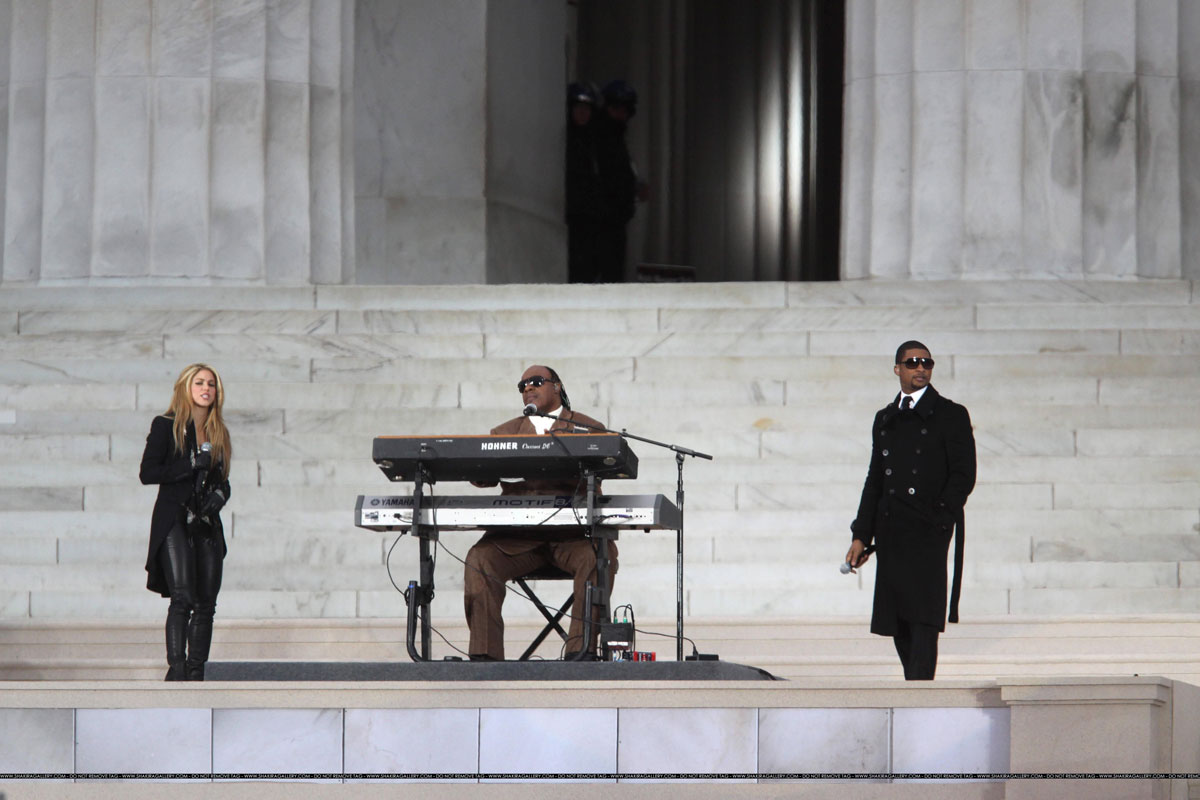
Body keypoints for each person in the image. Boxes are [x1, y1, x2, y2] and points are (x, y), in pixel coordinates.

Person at [463, 365, 616, 661]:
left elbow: (606, 471)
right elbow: (482, 479)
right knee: (479, 558)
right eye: (522, 385)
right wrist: (474, 462)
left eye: (536, 382)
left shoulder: (588, 428)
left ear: (557, 386)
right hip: (517, 540)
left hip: (572, 538)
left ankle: (580, 652)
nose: (528, 388)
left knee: (599, 556)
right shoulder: (503, 432)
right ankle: (485, 658)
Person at [845, 341, 976, 680]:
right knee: (899, 621)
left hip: (927, 532)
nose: (921, 368)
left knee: (923, 618)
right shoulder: (885, 418)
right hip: (892, 532)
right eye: (913, 362)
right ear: (897, 369)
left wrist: (941, 516)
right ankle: (915, 690)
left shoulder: (951, 414)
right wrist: (861, 535)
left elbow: (964, 473)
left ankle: (919, 695)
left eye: (926, 363)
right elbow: (875, 479)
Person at [139, 363, 232, 681]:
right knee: (183, 597)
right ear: (185, 388)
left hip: (207, 522)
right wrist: (189, 464)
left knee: (207, 602)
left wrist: (221, 494)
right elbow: (148, 473)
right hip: (175, 518)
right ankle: (176, 671)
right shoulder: (166, 425)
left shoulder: (219, 432)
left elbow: (222, 479)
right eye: (199, 383)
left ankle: (196, 673)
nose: (206, 389)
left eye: (211, 384)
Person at [566, 82, 605, 284]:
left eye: (586, 109)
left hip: (591, 214)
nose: (582, 113)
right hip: (571, 213)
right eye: (578, 108)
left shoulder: (595, 142)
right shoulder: (564, 140)